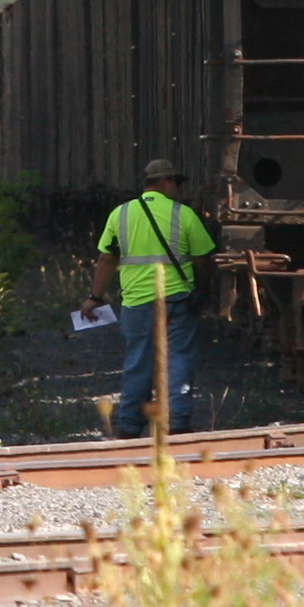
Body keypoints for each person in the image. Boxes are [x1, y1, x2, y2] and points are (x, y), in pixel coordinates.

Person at [95, 158, 214, 438]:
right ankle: (177, 421)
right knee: (178, 359)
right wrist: (204, 291)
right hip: (176, 300)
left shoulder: (120, 214)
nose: (179, 189)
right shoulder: (183, 214)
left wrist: (94, 297)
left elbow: (106, 259)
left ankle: (129, 426)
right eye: (177, 183)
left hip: (136, 302)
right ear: (165, 182)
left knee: (139, 362)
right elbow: (203, 259)